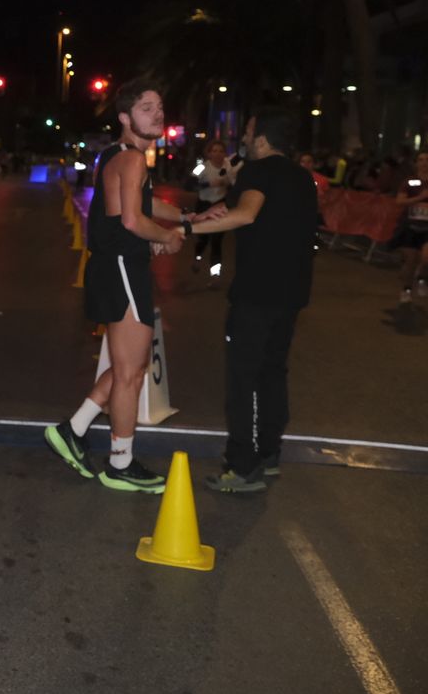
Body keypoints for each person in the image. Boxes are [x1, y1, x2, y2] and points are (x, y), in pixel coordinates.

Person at [44, 83, 191, 494]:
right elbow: (132, 221)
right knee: (130, 373)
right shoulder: (132, 160)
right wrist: (168, 236)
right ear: (126, 118)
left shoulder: (116, 156)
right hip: (124, 267)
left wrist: (187, 217)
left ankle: (73, 431)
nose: (157, 114)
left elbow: (143, 205)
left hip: (114, 267)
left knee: (130, 363)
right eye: (147, 108)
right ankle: (120, 464)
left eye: (160, 107)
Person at [185, 108, 319, 492]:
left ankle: (243, 466)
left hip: (258, 292)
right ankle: (269, 454)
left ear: (261, 139)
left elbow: (246, 215)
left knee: (245, 378)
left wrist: (188, 226)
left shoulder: (259, 171)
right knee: (273, 372)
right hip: (292, 292)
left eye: (247, 131)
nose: (243, 137)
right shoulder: (302, 177)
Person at [389, 151, 428, 304]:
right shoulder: (411, 182)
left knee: (426, 258)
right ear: (416, 163)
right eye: (421, 160)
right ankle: (406, 289)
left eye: (427, 160)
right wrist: (420, 198)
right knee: (411, 262)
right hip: (410, 227)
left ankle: (422, 278)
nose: (424, 163)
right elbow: (399, 201)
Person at [191, 140, 232, 284]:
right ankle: (197, 258)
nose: (217, 154)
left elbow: (234, 184)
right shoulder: (202, 167)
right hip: (204, 206)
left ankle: (215, 275)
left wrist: (228, 185)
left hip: (220, 206)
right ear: (208, 153)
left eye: (221, 151)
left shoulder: (228, 165)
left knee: (216, 242)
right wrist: (208, 184)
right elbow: (188, 183)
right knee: (203, 240)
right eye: (214, 151)